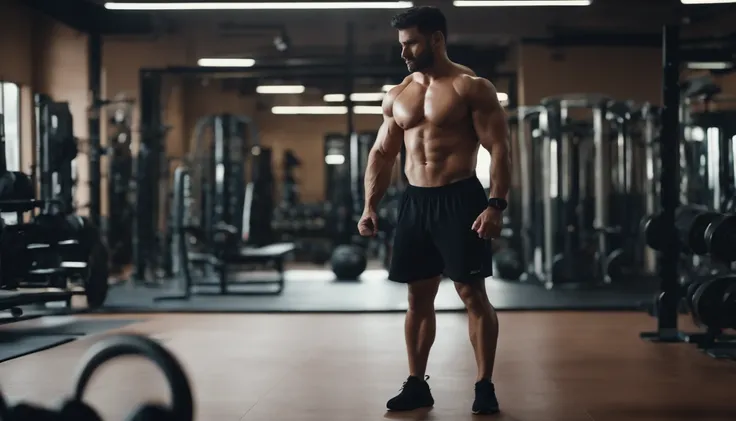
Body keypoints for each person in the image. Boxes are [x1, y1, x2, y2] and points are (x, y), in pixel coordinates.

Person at [357, 5, 511, 416]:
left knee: (471, 294)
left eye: (412, 43)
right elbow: (382, 152)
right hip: (414, 202)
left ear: (437, 40)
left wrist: (496, 204)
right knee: (417, 297)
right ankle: (416, 384)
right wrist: (370, 204)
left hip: (460, 198)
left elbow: (498, 148)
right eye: (402, 44)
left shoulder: (471, 87)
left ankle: (484, 385)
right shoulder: (399, 93)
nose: (404, 52)